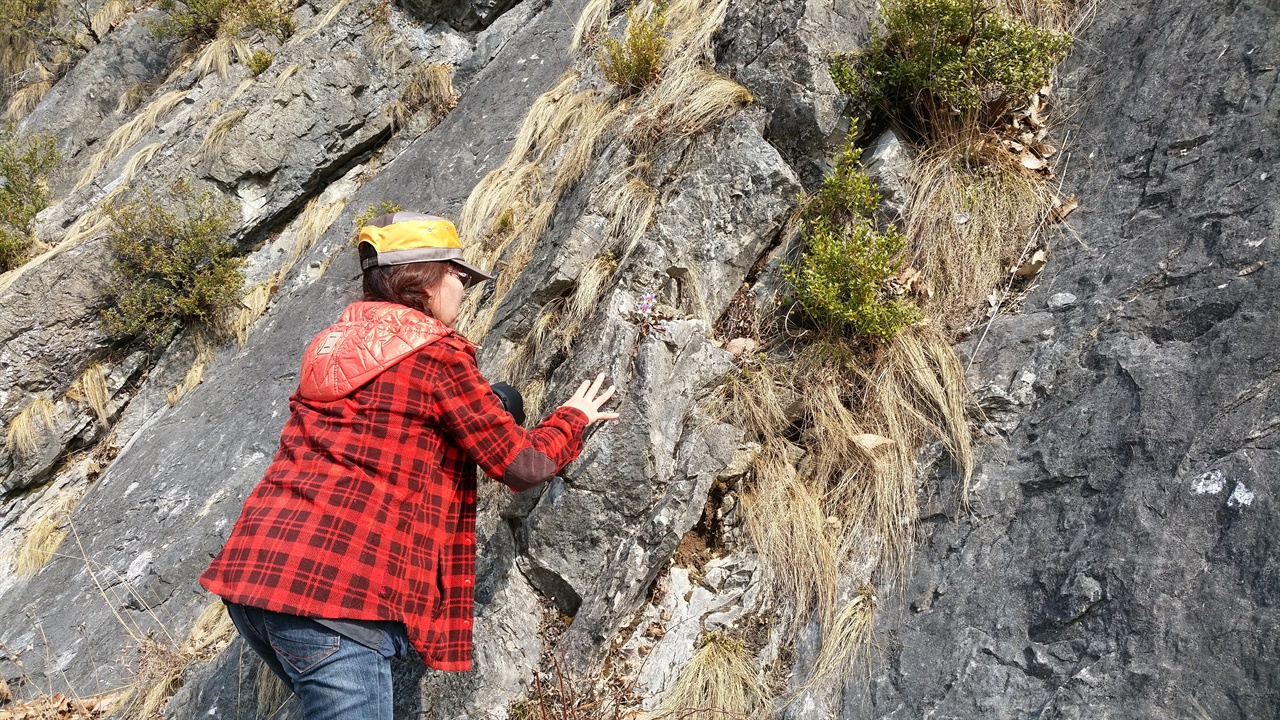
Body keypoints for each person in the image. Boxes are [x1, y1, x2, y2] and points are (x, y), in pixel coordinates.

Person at [199, 211, 619, 720]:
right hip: (339, 598)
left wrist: (493, 405)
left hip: (256, 580)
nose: (464, 285)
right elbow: (523, 464)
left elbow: (389, 427)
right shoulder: (436, 356)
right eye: (457, 273)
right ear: (424, 277)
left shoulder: (329, 343)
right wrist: (573, 418)